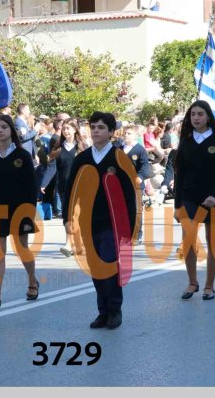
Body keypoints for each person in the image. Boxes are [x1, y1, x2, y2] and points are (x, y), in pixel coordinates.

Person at [63, 112, 139, 329]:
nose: (96, 131)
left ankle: (114, 310)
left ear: (111, 132)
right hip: (89, 223)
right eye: (93, 126)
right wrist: (68, 218)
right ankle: (102, 312)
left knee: (110, 267)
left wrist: (131, 227)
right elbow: (71, 190)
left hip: (113, 223)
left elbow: (130, 194)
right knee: (96, 269)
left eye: (101, 127)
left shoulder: (119, 158)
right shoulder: (82, 158)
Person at [173, 100, 215, 301]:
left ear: (208, 117)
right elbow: (179, 174)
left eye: (200, 114)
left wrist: (214, 194)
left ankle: (209, 286)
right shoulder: (186, 140)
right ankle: (192, 282)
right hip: (189, 197)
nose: (196, 118)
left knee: (213, 242)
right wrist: (177, 205)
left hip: (213, 198)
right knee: (188, 240)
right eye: (193, 114)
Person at [0, 115, 40, 310]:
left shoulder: (22, 155)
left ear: (11, 131)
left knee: (22, 248)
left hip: (20, 208)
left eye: (4, 127)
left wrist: (29, 211)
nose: (0, 130)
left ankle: (32, 281)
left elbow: (31, 185)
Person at [41, 118, 86, 257]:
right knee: (67, 215)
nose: (66, 131)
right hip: (63, 187)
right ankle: (68, 243)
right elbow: (52, 167)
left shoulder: (82, 148)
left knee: (77, 215)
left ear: (75, 129)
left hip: (80, 186)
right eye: (64, 128)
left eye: (68, 128)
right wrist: (44, 183)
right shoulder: (58, 148)